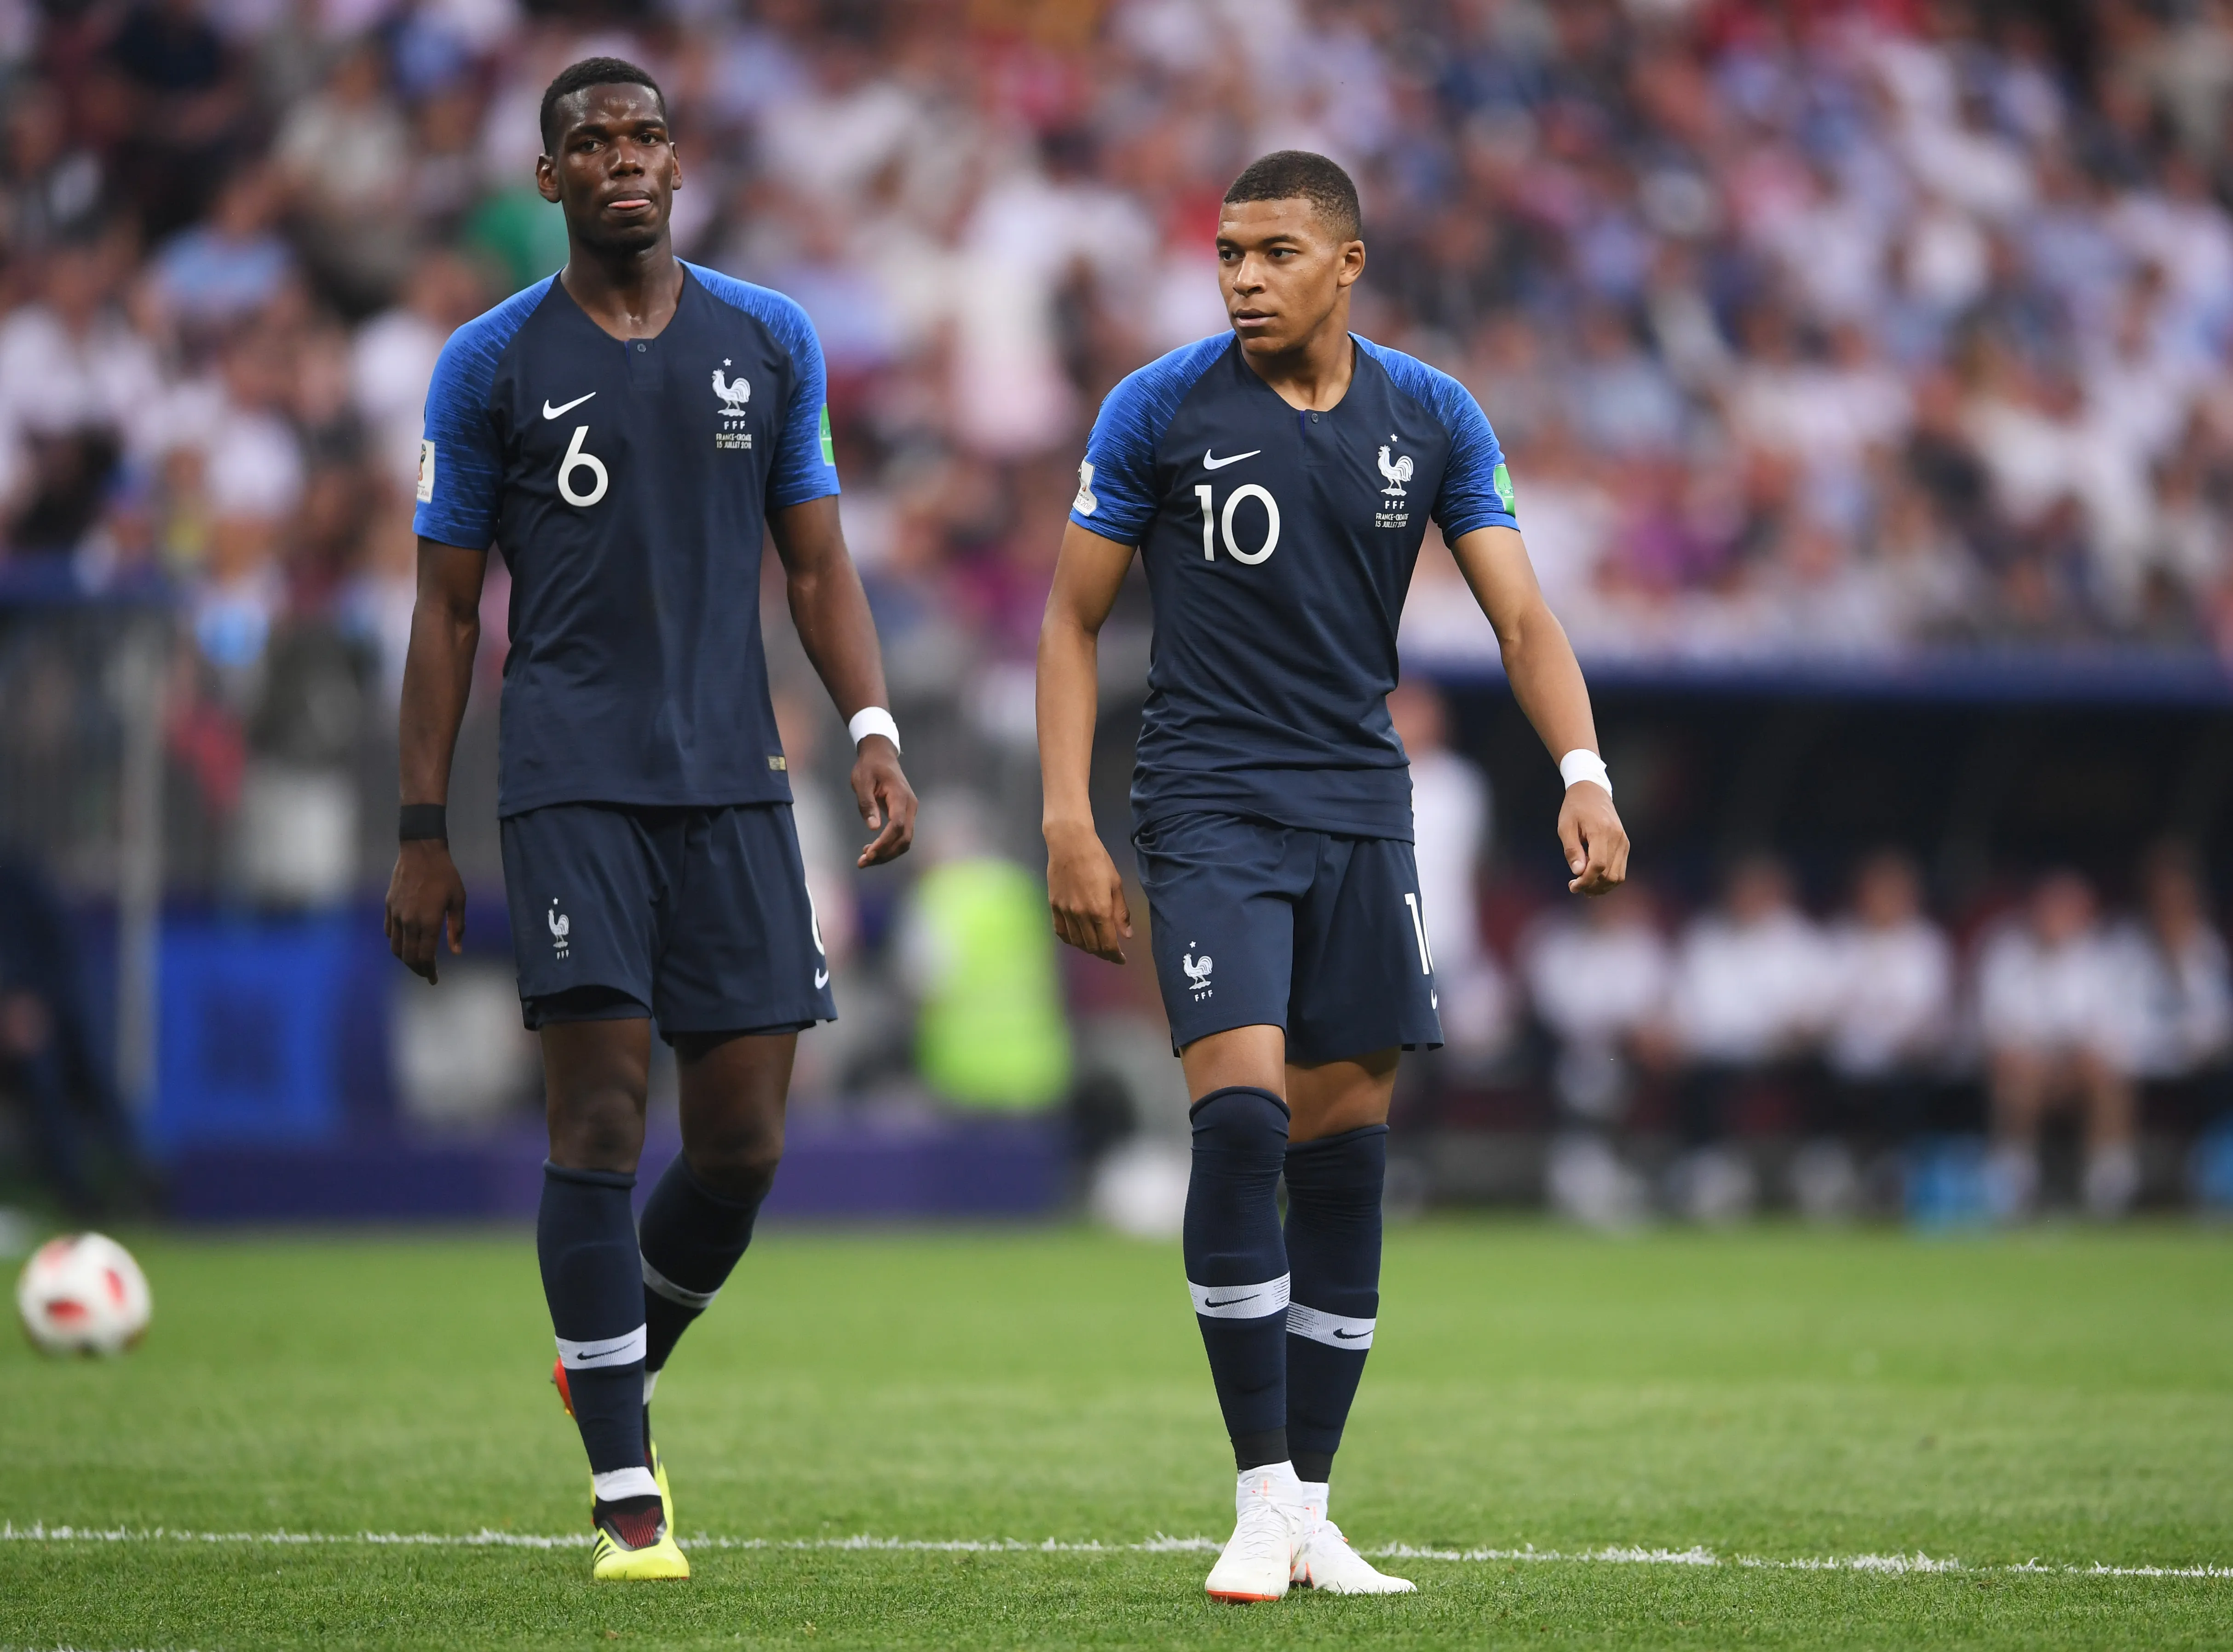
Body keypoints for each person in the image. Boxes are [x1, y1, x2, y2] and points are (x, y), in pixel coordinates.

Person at [1036, 150, 1628, 1603]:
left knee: (1345, 1151)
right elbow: (1069, 620)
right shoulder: (1159, 406)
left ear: (1347, 263)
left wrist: (1584, 773)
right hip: (1206, 804)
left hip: (1363, 808)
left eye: (1275, 252)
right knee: (1238, 1121)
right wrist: (1067, 819)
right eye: (1228, 251)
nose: (1242, 275)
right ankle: (1254, 1497)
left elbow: (1521, 614)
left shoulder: (1428, 414)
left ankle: (1309, 1506)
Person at [382, 58, 916, 1583]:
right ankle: (628, 1488)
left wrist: (871, 730)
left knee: (741, 1146)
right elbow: (441, 609)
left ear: (678, 165)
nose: (621, 159)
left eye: (643, 137)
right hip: (569, 781)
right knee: (602, 1117)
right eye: (588, 143)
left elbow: (815, 566)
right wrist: (422, 826)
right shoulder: (487, 365)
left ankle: (608, 1359)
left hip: (737, 781)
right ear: (547, 181)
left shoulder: (772, 339)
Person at [1663, 855, 1828, 1222]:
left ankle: (1817, 1166)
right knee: (1698, 1080)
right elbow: (1686, 1009)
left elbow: (1819, 1012)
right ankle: (1710, 1171)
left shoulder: (1802, 940)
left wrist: (1799, 1032)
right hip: (1716, 1057)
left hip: (1785, 1056)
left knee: (1821, 1070)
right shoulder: (1704, 939)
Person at [1974, 870, 2133, 1220]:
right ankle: (2012, 1189)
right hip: (2025, 1070)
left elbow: (2110, 1033)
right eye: (2049, 909)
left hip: (2079, 1073)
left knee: (2105, 1078)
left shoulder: (2101, 960)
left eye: (2066, 911)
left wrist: (2073, 1064)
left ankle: (2106, 1191)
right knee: (2018, 1077)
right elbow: (1995, 1028)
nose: (2054, 920)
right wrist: (2037, 1063)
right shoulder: (2006, 951)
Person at [1815, 850, 1955, 1215]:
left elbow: (1932, 1015)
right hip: (1846, 1061)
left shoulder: (1928, 944)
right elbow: (1825, 1005)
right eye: (1876, 893)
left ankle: (1899, 1175)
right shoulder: (1840, 941)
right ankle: (1831, 1173)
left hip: (1906, 1063)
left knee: (1910, 1080)